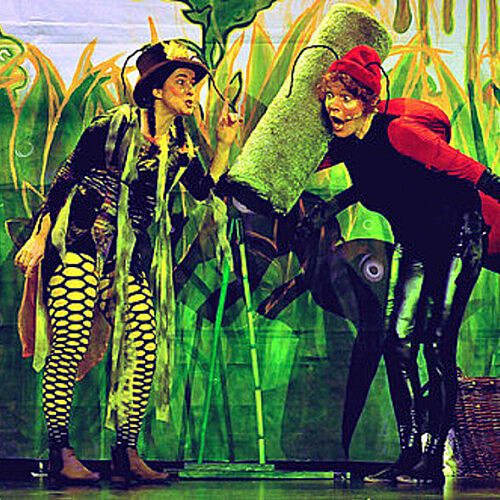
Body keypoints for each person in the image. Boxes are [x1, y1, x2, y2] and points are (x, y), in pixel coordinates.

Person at [14, 39, 241, 486]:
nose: (191, 90)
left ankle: (126, 453)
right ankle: (60, 453)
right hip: (81, 242)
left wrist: (224, 144)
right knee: (69, 343)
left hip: (129, 255)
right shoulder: (112, 127)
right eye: (181, 81)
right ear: (156, 89)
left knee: (142, 344)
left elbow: (203, 190)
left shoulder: (181, 144)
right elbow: (66, 178)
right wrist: (39, 238)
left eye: (194, 83)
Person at [308, 45, 500, 486]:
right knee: (396, 343)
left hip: (457, 236)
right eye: (331, 97)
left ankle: (433, 458)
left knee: (436, 344)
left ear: (368, 101)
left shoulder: (400, 133)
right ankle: (409, 452)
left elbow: (470, 171)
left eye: (346, 98)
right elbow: (377, 182)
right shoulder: (346, 144)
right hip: (413, 241)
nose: (335, 106)